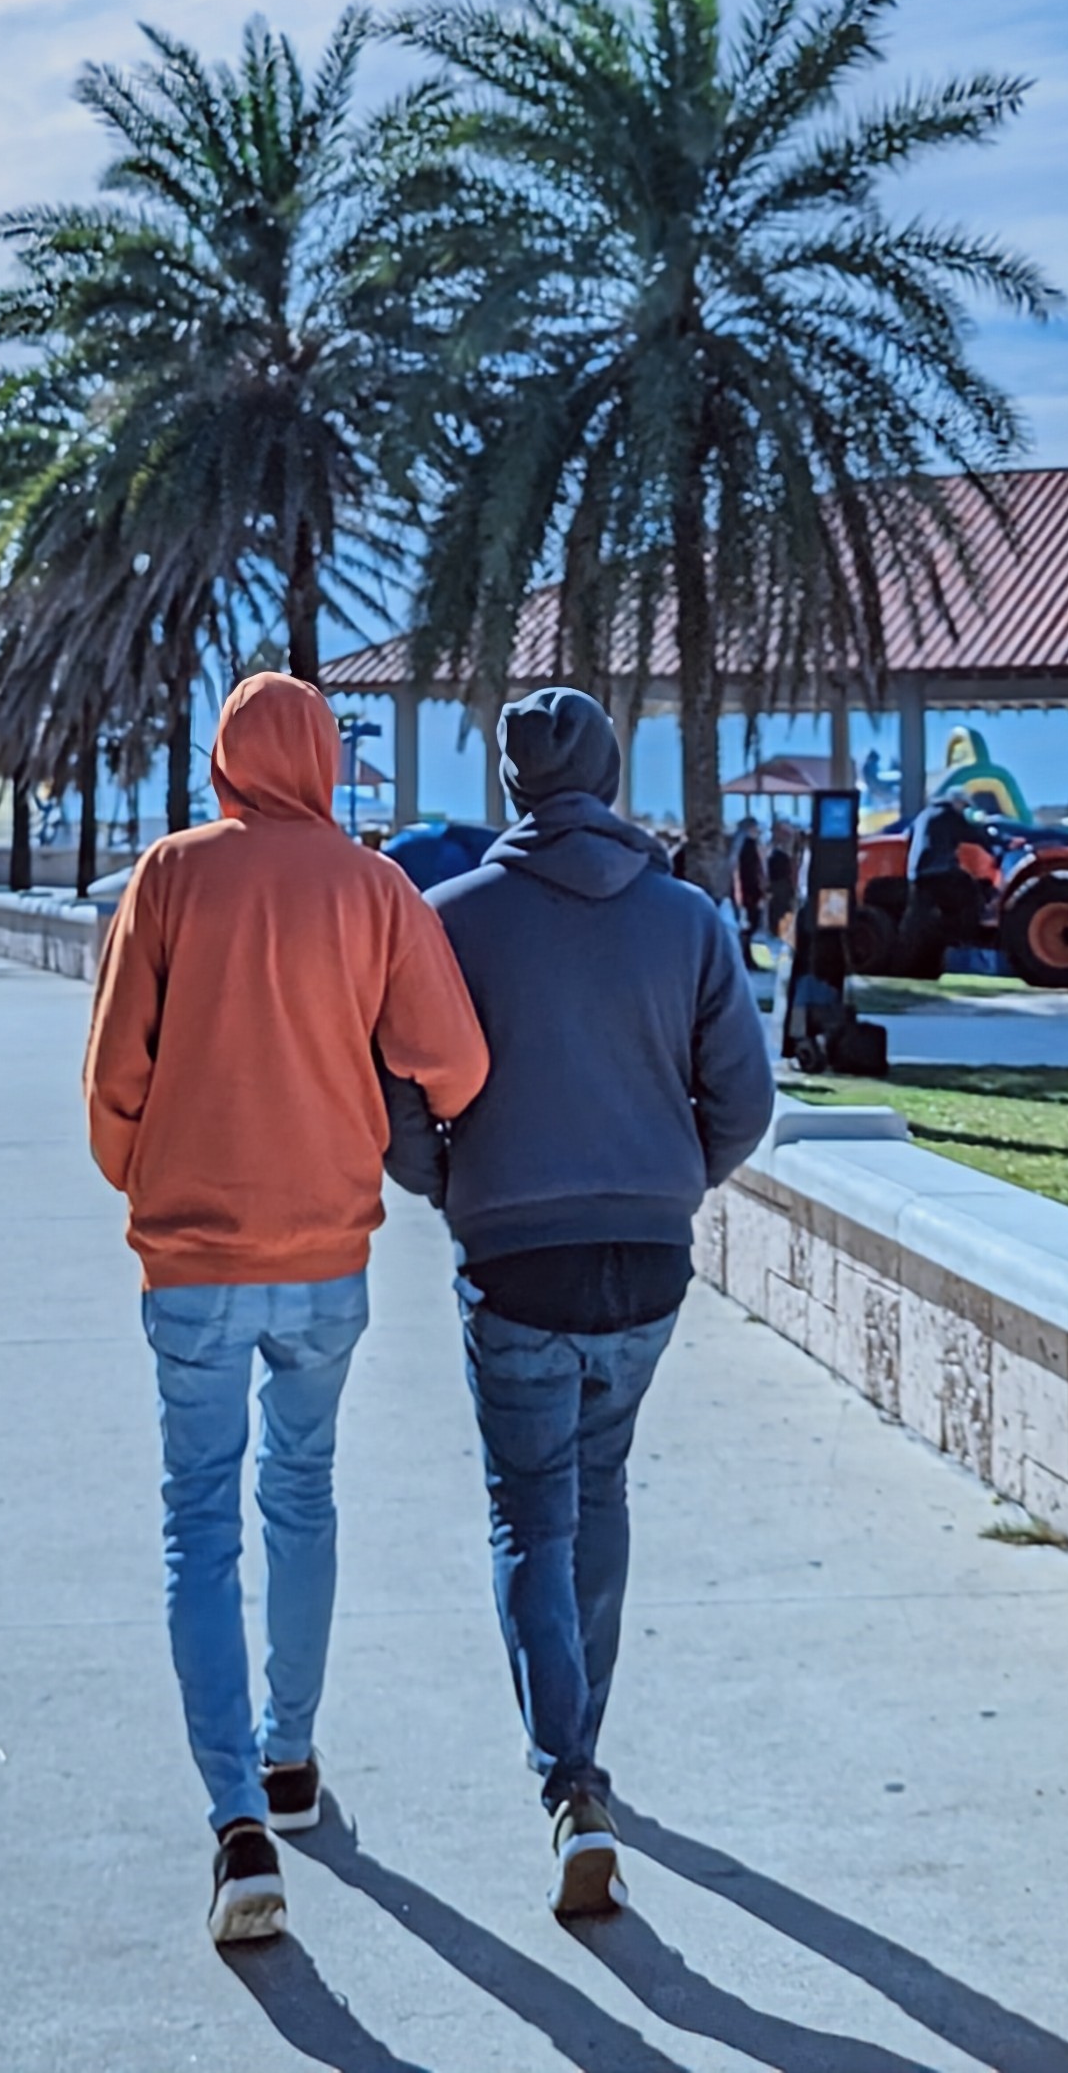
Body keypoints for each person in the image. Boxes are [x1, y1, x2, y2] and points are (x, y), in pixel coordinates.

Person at [86, 671, 492, 1945]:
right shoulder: (377, 888)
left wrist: (148, 1175)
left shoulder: (169, 876)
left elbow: (114, 1076)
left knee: (198, 1524)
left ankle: (232, 1821)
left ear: (222, 758)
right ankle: (292, 1760)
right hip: (327, 1258)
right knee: (302, 1493)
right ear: (323, 758)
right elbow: (458, 1064)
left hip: (193, 1259)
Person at [400, 689, 775, 1916]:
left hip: (515, 1258)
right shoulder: (691, 920)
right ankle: (587, 1763)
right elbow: (745, 1103)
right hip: (647, 1257)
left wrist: (458, 1182)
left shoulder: (449, 923)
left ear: (515, 785)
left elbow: (394, 1093)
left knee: (529, 1515)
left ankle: (571, 1780)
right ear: (611, 773)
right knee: (598, 1490)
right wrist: (670, 1180)